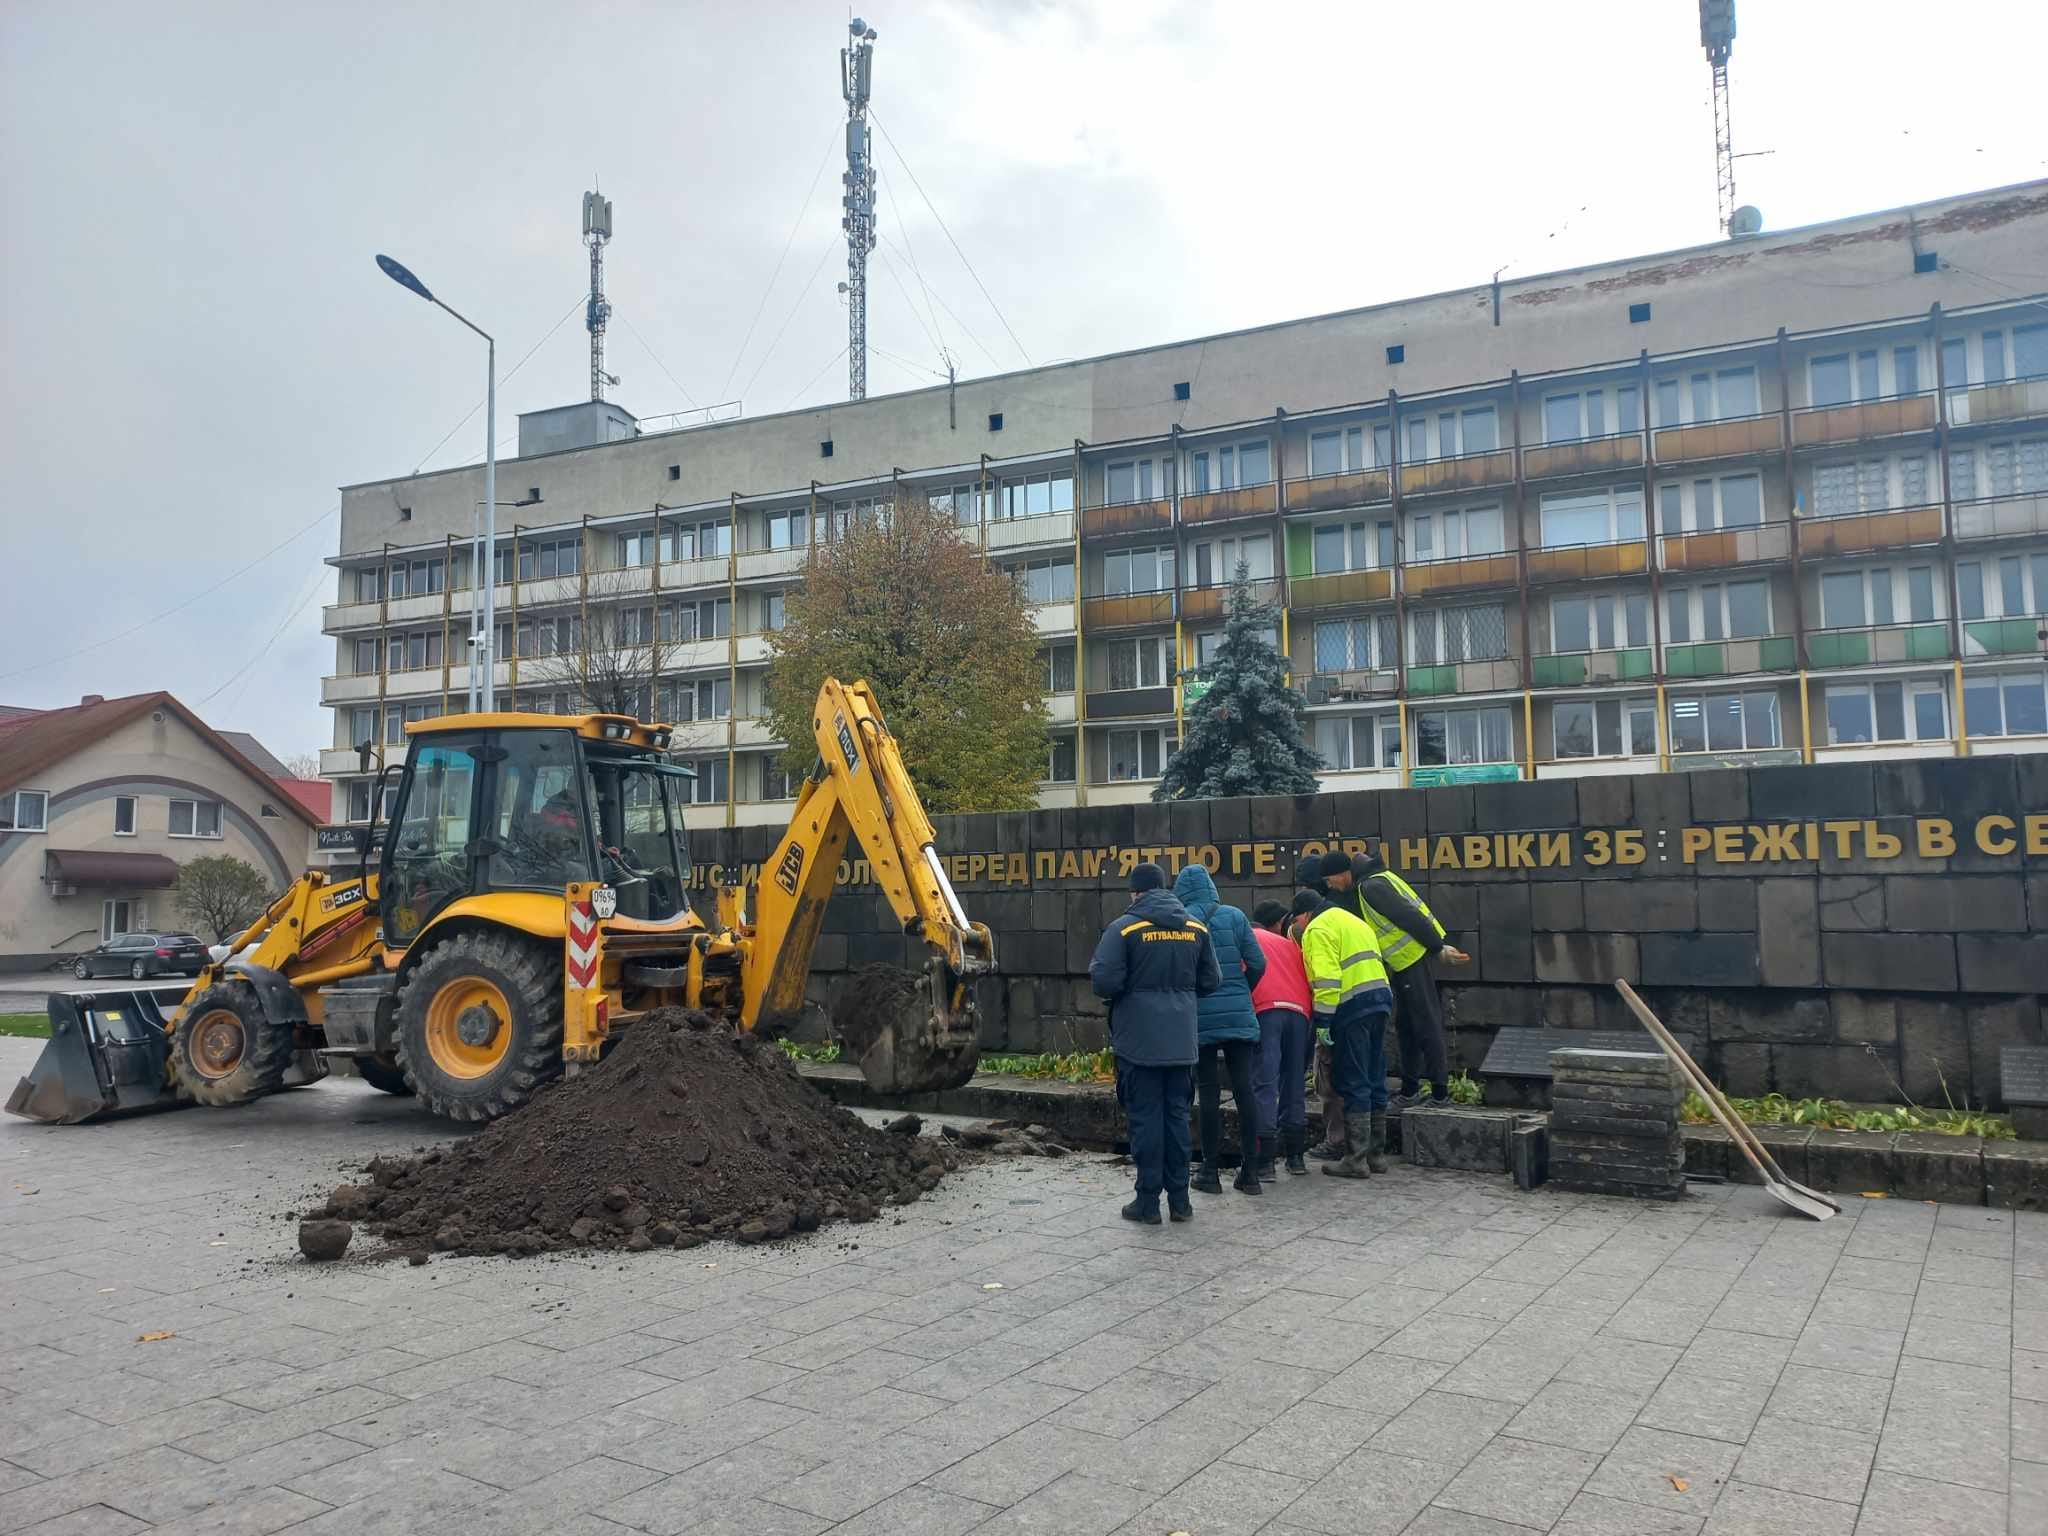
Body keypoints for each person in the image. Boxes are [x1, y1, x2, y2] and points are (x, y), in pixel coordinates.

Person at [1091, 861, 1221, 1224]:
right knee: (1177, 1119)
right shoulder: (1195, 928)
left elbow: (1103, 981)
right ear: (1165, 888)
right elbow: (1211, 980)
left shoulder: (1124, 928)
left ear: (1135, 892)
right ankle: (1181, 1202)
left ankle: (1147, 1203)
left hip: (1139, 1042)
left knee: (1146, 1121)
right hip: (1181, 1041)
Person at [1320, 848, 1470, 1108]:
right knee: (1407, 1027)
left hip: (1413, 959)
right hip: (1404, 964)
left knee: (1425, 1025)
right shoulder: (1371, 882)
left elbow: (1410, 917)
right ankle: (1410, 1090)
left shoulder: (1371, 886)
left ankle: (1439, 1093)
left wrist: (1437, 948)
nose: (1329, 885)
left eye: (1329, 879)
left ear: (1342, 874)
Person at [1172, 866, 1267, 1197]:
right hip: (1241, 1017)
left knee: (1209, 1092)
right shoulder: (1235, 916)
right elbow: (1258, 963)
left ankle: (1209, 1172)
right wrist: (1243, 993)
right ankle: (1251, 1172)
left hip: (1199, 1019)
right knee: (1245, 1090)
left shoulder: (1182, 923)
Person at [1291, 887, 1394, 1179]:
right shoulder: (1353, 920)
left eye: (1297, 922)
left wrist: (1323, 1021)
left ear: (1306, 914)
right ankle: (1377, 1156)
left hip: (1351, 1008)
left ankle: (1356, 1159)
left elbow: (1327, 979)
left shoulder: (1317, 929)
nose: (1297, 928)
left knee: (1355, 1080)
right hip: (1380, 1001)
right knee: (1375, 1077)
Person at [1250, 899, 1314, 1175]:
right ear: (1278, 923)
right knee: (1294, 1083)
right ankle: (1296, 1158)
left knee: (1265, 1084)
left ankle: (1265, 1162)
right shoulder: (1291, 945)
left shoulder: (1249, 937)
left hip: (1267, 1011)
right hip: (1300, 1013)